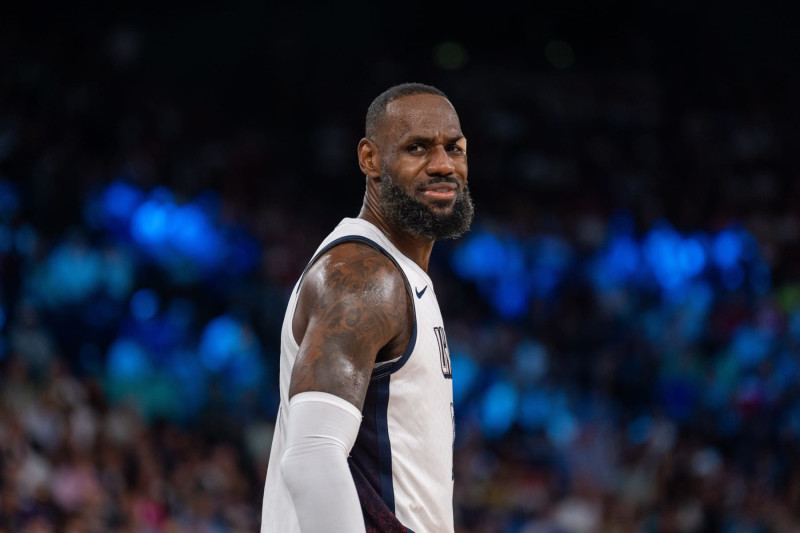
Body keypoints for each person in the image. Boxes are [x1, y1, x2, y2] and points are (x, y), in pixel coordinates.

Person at [260, 82, 474, 533]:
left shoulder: (396, 273)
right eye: (417, 148)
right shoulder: (363, 277)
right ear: (369, 159)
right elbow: (312, 456)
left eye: (453, 148)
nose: (442, 165)